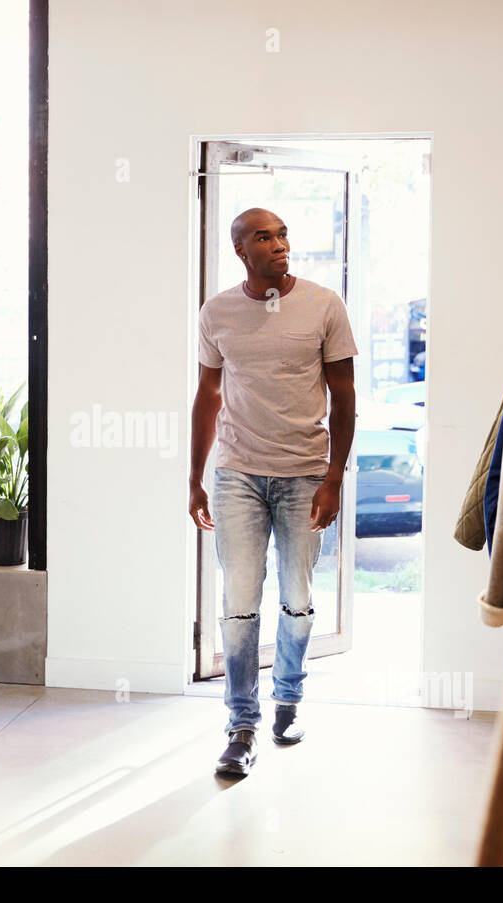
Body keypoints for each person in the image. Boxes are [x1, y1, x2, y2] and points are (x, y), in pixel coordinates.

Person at [189, 207, 357, 777]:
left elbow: (345, 394)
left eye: (283, 233)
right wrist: (195, 477)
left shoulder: (323, 305)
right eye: (265, 237)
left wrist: (334, 477)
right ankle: (241, 725)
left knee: (298, 598)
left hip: (304, 473)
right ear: (242, 250)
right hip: (236, 472)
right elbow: (208, 396)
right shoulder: (218, 312)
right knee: (239, 602)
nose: (280, 243)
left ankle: (288, 696)